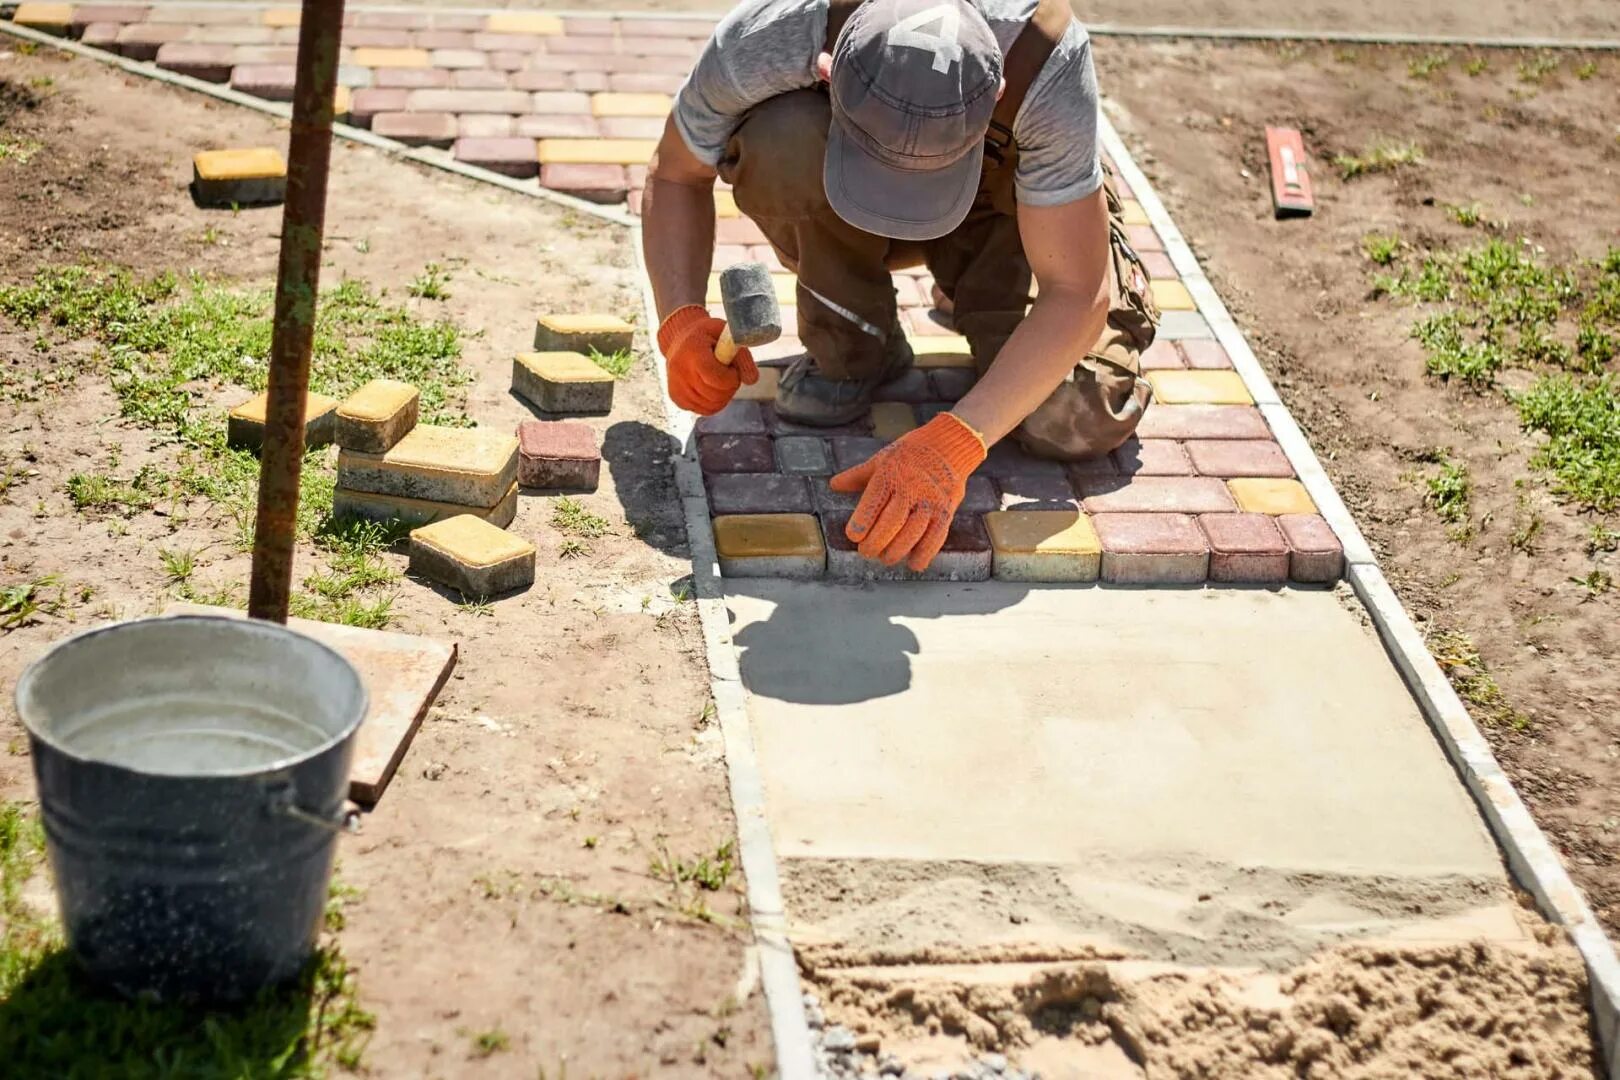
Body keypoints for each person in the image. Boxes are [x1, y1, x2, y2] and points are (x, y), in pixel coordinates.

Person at [643, 0, 1159, 572]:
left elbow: (1075, 291)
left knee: (1075, 413)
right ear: (826, 69)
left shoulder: (1047, 61)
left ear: (996, 93)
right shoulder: (774, 34)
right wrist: (679, 320)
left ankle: (985, 281)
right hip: (838, 184)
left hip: (1012, 203)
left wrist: (958, 442)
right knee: (782, 137)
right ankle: (856, 336)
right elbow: (674, 173)